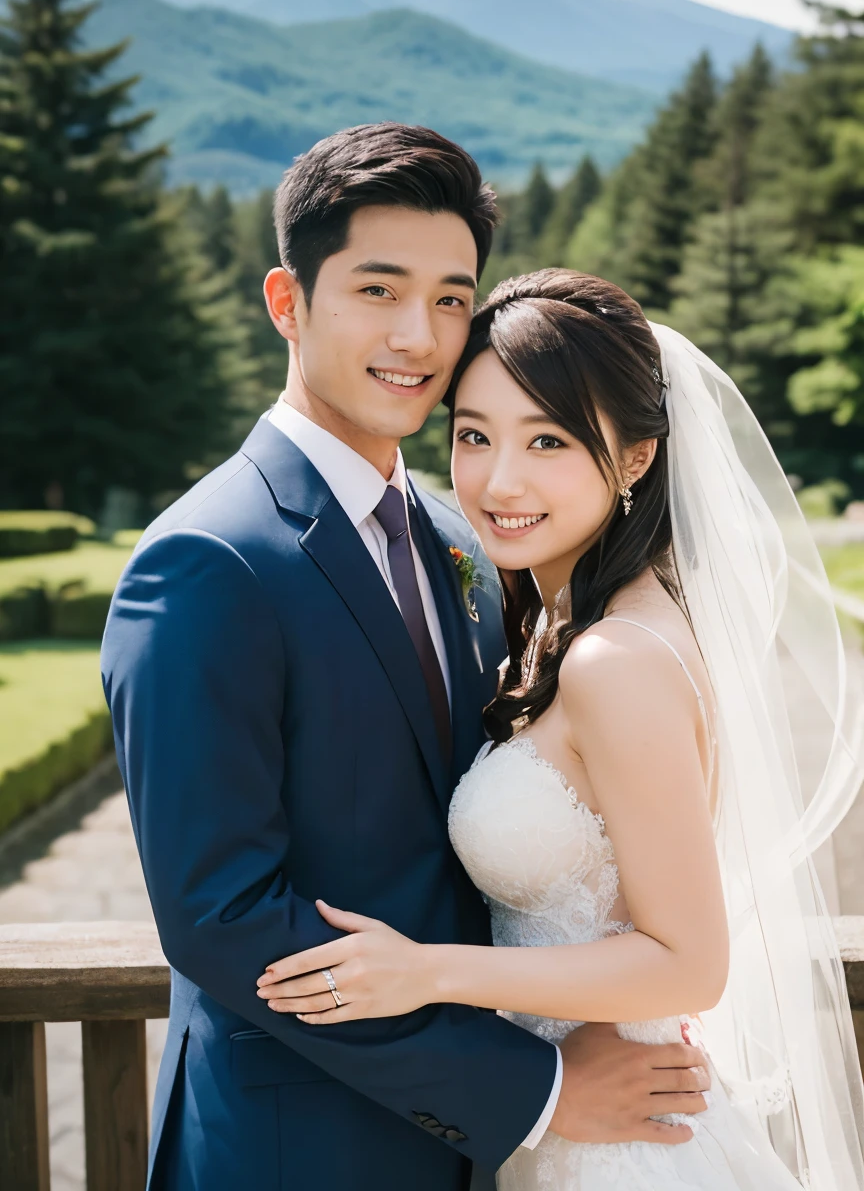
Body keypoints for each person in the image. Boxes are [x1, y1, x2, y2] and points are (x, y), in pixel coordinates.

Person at [101, 132, 708, 1191]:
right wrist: (541, 1089)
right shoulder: (207, 562)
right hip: (302, 1147)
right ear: (287, 301)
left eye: (448, 300)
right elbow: (221, 918)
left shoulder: (460, 535)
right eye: (379, 290)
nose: (418, 337)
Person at [257, 269, 864, 1190]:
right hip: (561, 1121)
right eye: (474, 435)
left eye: (548, 439)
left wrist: (425, 974)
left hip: (624, 1145)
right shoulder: (562, 625)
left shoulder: (613, 659)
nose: (500, 481)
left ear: (634, 458)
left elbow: (687, 964)